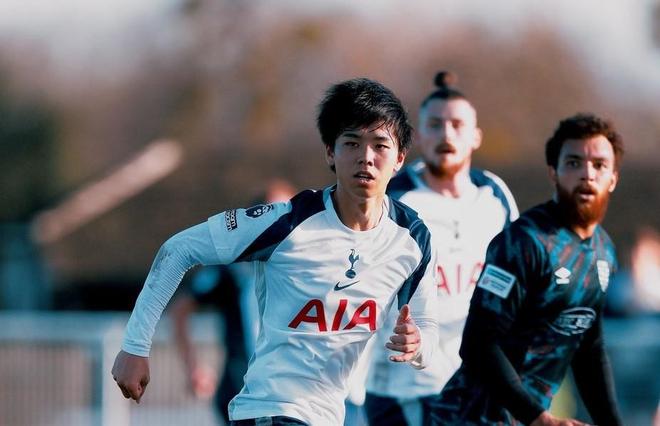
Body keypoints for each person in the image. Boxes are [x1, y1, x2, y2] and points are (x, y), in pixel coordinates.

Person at [111, 77, 440, 426]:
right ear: (330, 152)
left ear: (400, 158)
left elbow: (427, 327)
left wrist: (417, 345)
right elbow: (179, 249)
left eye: (380, 145)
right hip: (272, 410)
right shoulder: (286, 223)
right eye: (352, 143)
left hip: (338, 413)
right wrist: (135, 346)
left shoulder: (412, 239)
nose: (366, 158)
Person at [430, 113, 624, 425]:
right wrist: (538, 417)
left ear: (613, 178)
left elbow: (589, 348)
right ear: (553, 172)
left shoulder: (604, 250)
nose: (587, 174)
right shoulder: (525, 242)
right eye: (574, 163)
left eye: (599, 165)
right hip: (469, 418)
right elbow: (479, 344)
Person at [364, 71, 518, 426]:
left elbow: (516, 278)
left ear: (475, 136)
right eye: (435, 125)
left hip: (478, 382)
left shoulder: (494, 194)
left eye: (457, 125)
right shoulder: (392, 198)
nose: (447, 134)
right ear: (417, 136)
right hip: (406, 388)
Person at [170, 179, 296, 424]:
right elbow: (181, 309)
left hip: (295, 391)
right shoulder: (233, 268)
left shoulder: (310, 269)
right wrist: (193, 366)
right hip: (241, 388)